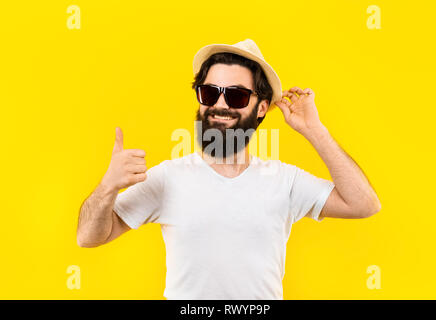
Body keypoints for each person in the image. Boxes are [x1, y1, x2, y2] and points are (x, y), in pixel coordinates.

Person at [77, 39, 381, 300]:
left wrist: (314, 130)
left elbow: (364, 204)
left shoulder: (284, 181)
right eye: (210, 93)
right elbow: (88, 237)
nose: (220, 105)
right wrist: (107, 187)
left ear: (261, 108)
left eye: (236, 95)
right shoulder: (168, 178)